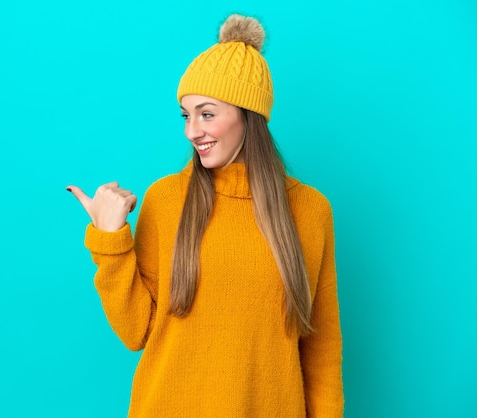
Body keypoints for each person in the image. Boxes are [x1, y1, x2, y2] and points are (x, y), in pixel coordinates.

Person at [67, 13, 343, 418]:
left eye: (207, 113)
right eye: (186, 114)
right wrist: (110, 241)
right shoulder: (166, 200)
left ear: (249, 116)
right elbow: (136, 331)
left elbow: (321, 351)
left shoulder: (309, 210)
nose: (191, 130)